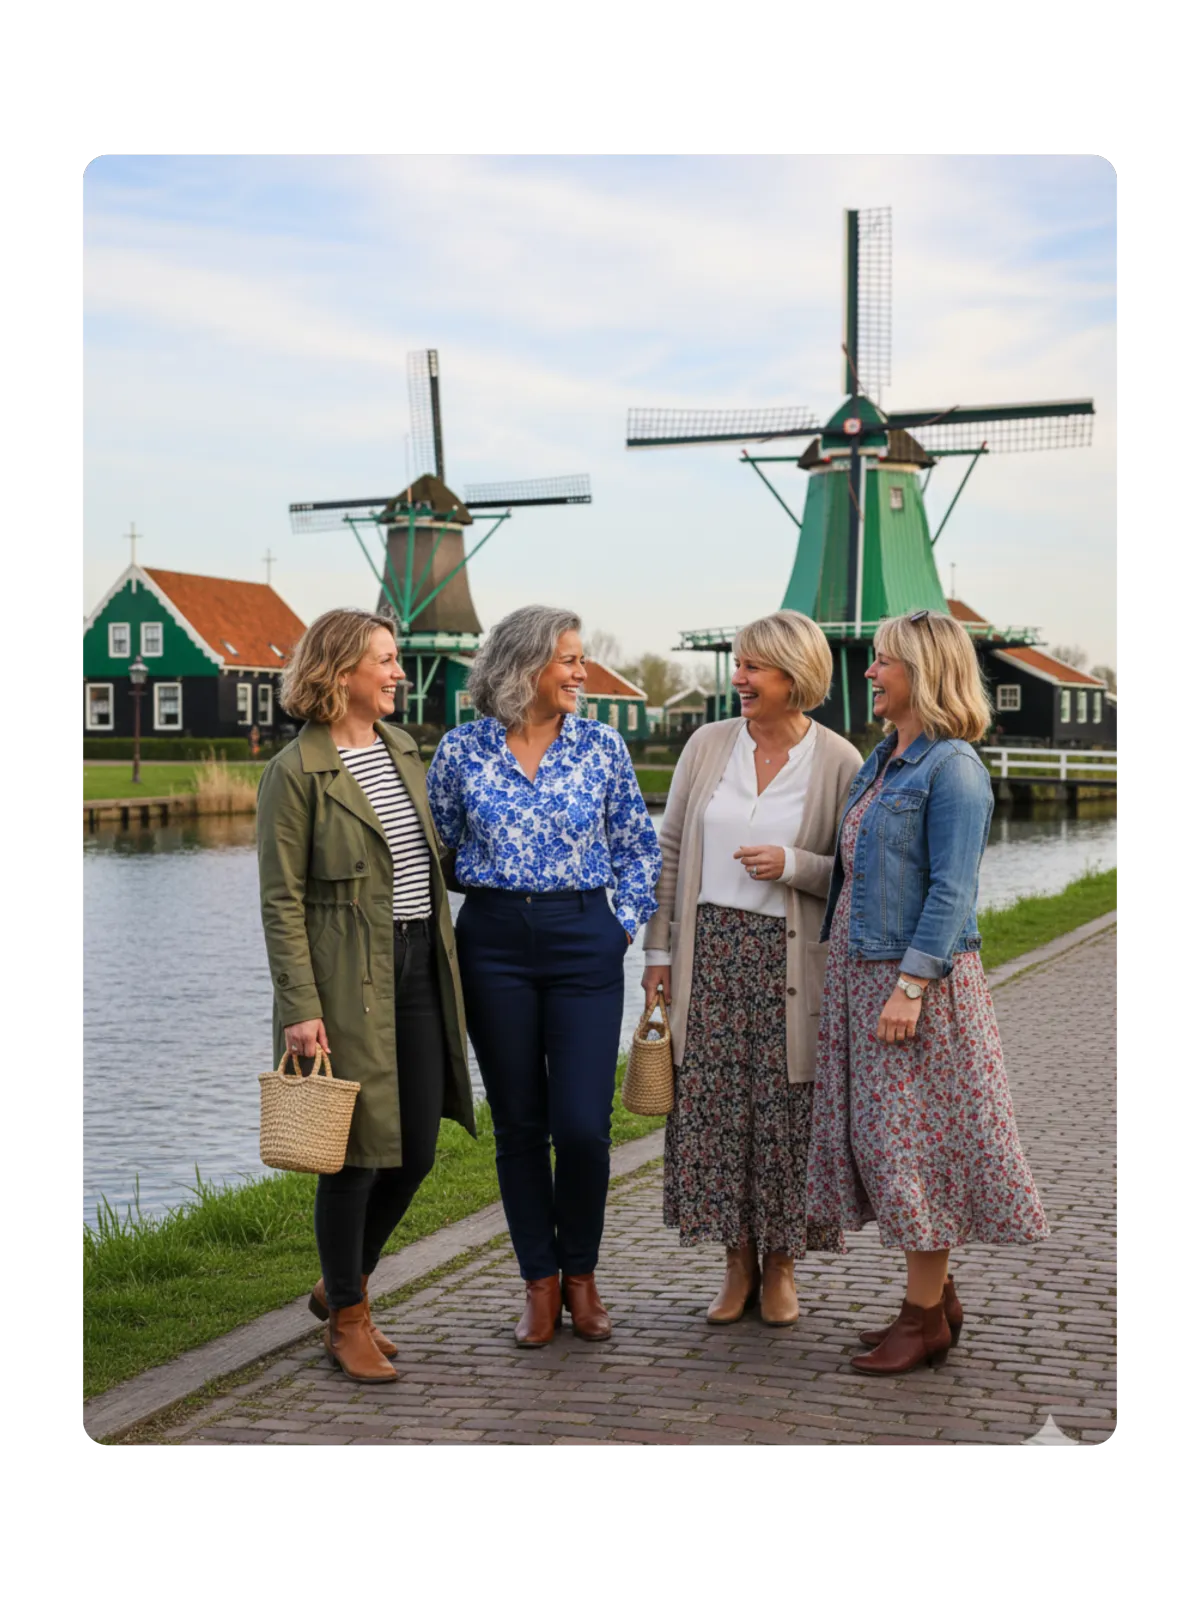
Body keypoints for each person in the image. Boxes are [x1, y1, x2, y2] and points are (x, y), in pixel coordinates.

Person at [806, 610, 1049, 1375]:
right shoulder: (882, 762)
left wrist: (909, 985)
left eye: (882, 661)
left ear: (924, 671)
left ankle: (922, 1322)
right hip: (862, 977)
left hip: (914, 986)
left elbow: (952, 890)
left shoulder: (955, 769)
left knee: (908, 1149)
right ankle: (935, 1302)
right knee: (887, 1144)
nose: (869, 672)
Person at [427, 606, 661, 1348]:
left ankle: (582, 1275)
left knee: (584, 1128)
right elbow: (436, 851)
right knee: (520, 1124)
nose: (581, 672)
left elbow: (638, 846)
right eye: (569, 659)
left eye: (579, 658)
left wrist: (620, 924)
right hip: (493, 944)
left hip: (585, 941)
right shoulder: (461, 750)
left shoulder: (601, 746)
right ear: (524, 664)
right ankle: (540, 1282)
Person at [257, 609, 475, 1385]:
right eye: (385, 660)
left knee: (414, 1151)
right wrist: (299, 1007)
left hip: (420, 966)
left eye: (396, 660)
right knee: (352, 1157)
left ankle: (341, 1283)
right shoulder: (295, 772)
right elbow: (281, 900)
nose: (399, 673)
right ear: (341, 670)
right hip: (346, 982)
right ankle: (348, 1319)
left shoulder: (403, 749)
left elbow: (433, 858)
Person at [642, 612, 861, 1326]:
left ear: (795, 677)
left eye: (753, 667)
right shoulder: (707, 745)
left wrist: (793, 864)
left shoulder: (839, 761)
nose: (737, 678)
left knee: (786, 1120)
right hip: (709, 957)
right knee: (713, 1117)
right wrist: (657, 954)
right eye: (737, 664)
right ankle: (736, 1266)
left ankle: (782, 1269)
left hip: (789, 965)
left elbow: (855, 873)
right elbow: (671, 851)